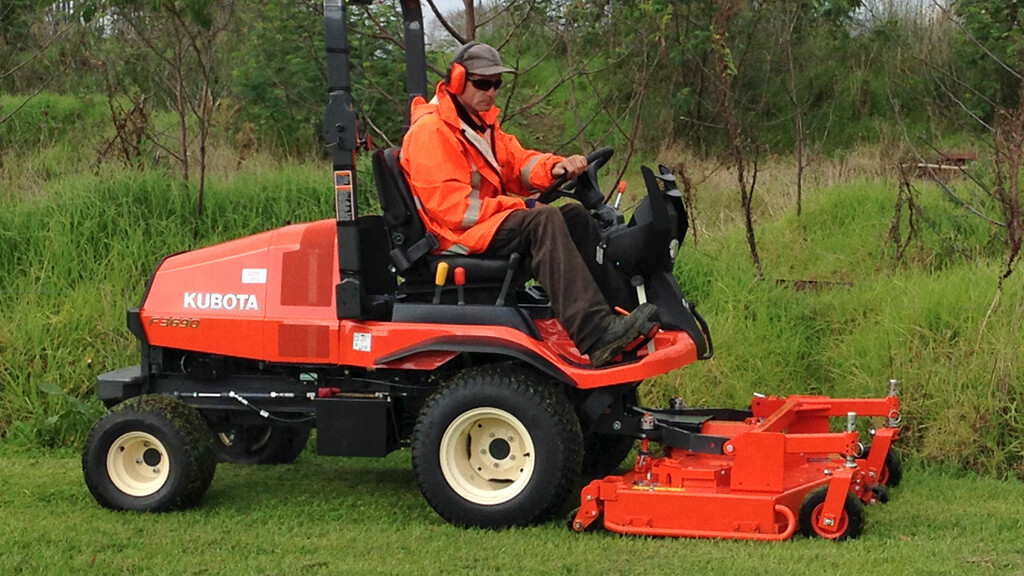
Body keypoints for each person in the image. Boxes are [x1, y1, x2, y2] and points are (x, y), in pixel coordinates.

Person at [400, 42, 657, 366]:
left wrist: (554, 167)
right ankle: (596, 335)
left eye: (497, 84)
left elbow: (516, 163)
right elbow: (453, 211)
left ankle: (622, 315)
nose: (491, 92)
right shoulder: (432, 131)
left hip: (480, 227)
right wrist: (519, 207)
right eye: (483, 83)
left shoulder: (478, 125)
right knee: (543, 220)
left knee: (574, 216)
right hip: (455, 238)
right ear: (456, 80)